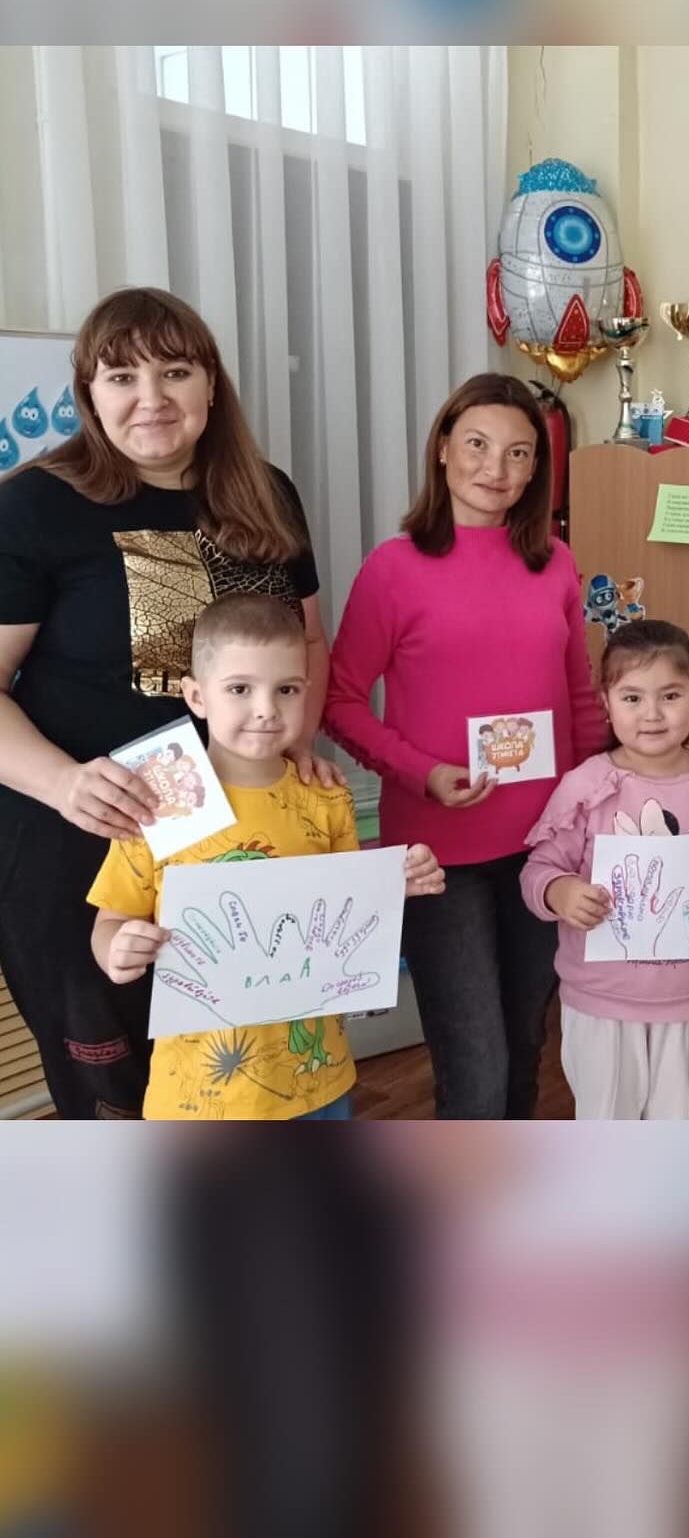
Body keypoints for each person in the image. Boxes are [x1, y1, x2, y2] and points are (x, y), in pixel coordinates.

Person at [0, 287, 332, 1119]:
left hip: (242, 843)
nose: (150, 398)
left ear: (211, 383)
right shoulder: (35, 505)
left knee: (248, 1079)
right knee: (117, 1098)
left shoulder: (267, 494)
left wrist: (294, 747)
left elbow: (307, 642)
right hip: (84, 852)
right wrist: (63, 782)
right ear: (89, 393)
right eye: (122, 377)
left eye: (175, 372)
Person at [324, 372, 608, 1119]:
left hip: (544, 845)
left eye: (519, 453)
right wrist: (423, 774)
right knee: (475, 1069)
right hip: (436, 855)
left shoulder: (556, 561)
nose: (496, 469)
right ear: (443, 448)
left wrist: (595, 810)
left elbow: (579, 696)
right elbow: (337, 699)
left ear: (538, 468)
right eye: (478, 445)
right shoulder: (394, 568)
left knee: (523, 1053)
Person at [86, 593, 443, 1118]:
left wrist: (394, 885)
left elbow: (344, 917)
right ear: (196, 695)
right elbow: (111, 919)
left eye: (287, 689)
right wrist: (118, 950)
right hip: (202, 1095)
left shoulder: (326, 797)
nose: (266, 709)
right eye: (239, 689)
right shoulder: (159, 804)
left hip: (319, 1078)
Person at [520, 620, 689, 1120]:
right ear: (606, 703)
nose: (652, 714)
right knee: (607, 1129)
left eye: (670, 695)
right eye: (632, 698)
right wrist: (560, 892)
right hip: (601, 1002)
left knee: (678, 1122)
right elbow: (539, 869)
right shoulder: (585, 788)